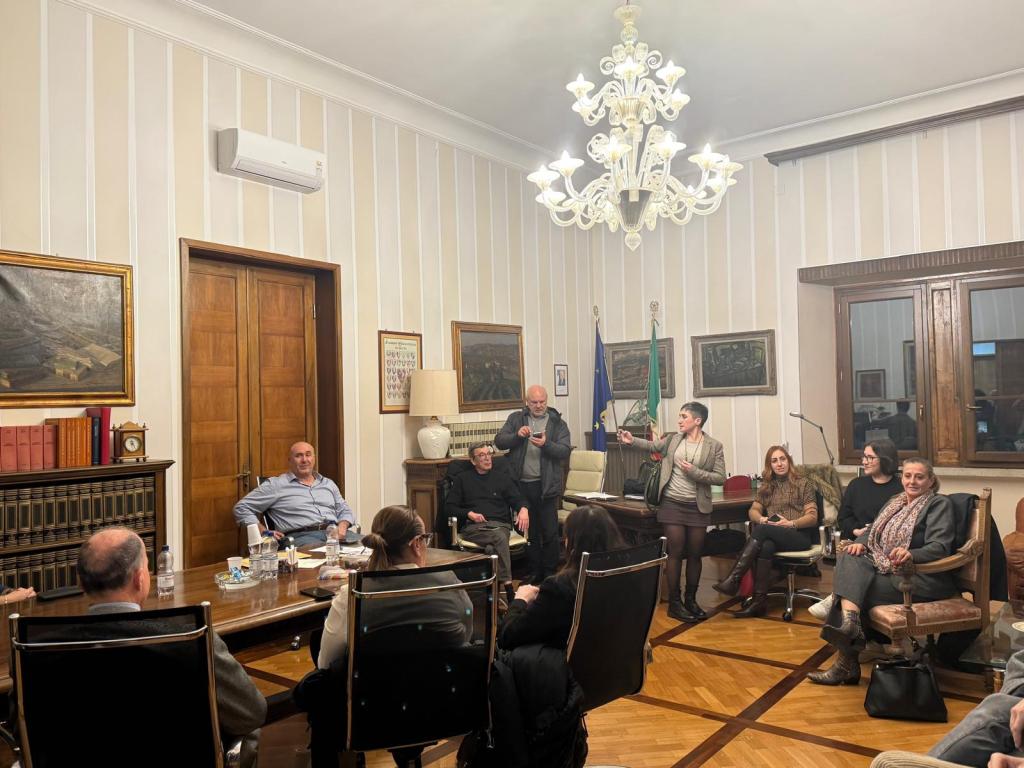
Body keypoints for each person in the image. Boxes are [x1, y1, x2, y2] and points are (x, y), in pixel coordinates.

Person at [78, 527, 266, 765]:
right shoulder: (190, 637)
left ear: (80, 583)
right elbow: (252, 712)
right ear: (140, 579)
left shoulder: (37, 645)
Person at [305, 506, 473, 768]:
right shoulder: (450, 585)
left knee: (321, 681)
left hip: (368, 712)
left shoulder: (353, 596)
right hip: (441, 705)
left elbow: (326, 664)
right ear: (417, 544)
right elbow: (464, 639)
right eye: (425, 538)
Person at [808, 458, 956, 686]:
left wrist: (912, 554)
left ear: (931, 481)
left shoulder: (938, 504)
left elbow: (940, 546)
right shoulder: (895, 501)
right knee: (850, 554)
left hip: (918, 578)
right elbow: (874, 529)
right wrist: (861, 543)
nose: (912, 481)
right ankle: (851, 624)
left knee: (852, 592)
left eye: (919, 477)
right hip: (888, 571)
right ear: (902, 477)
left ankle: (845, 663)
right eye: (908, 476)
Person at [618, 401, 726, 623]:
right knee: (675, 552)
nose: (679, 420)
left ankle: (691, 600)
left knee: (695, 554)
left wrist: (695, 472)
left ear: (697, 420)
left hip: (697, 506)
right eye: (679, 416)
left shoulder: (714, 446)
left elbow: (719, 477)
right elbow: (652, 447)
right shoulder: (674, 439)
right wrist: (631, 440)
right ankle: (675, 604)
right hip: (672, 503)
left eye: (683, 416)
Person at [497, 505, 625, 650]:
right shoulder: (628, 575)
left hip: (565, 667)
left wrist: (520, 600)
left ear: (572, 543)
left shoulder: (559, 588)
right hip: (614, 663)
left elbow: (508, 637)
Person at [713, 445, 818, 618]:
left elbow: (812, 517)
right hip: (774, 534)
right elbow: (753, 511)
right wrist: (761, 518)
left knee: (762, 531)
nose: (779, 464)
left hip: (799, 535)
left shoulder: (803, 483)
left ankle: (733, 579)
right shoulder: (767, 487)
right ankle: (758, 602)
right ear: (770, 465)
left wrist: (790, 523)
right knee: (766, 545)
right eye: (774, 461)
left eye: (782, 459)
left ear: (789, 461)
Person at [495, 385, 572, 585]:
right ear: (527, 403)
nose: (538, 406)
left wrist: (546, 444)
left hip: (546, 486)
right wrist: (517, 436)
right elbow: (500, 441)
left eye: (542, 402)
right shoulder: (516, 419)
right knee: (529, 532)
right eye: (534, 402)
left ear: (547, 401)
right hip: (521, 486)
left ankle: (549, 573)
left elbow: (564, 450)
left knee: (549, 531)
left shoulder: (557, 423)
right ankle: (534, 571)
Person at [445, 442, 530, 602]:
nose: (487, 458)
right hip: (474, 528)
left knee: (494, 545)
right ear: (473, 460)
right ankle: (508, 588)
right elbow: (449, 507)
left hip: (500, 525)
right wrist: (469, 514)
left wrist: (523, 508)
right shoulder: (463, 479)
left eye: (488, 454)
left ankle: (493, 592)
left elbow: (518, 498)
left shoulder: (502, 478)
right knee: (498, 538)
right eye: (482, 455)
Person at [233, 441, 355, 547]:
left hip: (335, 533)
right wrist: (262, 530)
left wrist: (343, 527)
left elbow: (344, 510)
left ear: (314, 458)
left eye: (308, 455)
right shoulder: (276, 485)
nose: (304, 460)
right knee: (325, 560)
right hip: (301, 538)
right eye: (298, 456)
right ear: (290, 460)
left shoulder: (328, 483)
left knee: (372, 548)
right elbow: (241, 507)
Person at [837, 438, 903, 541]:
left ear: (885, 459)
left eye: (870, 458)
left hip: (891, 542)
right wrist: (856, 531)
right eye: (864, 457)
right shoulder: (856, 485)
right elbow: (843, 518)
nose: (864, 462)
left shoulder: (902, 487)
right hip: (856, 542)